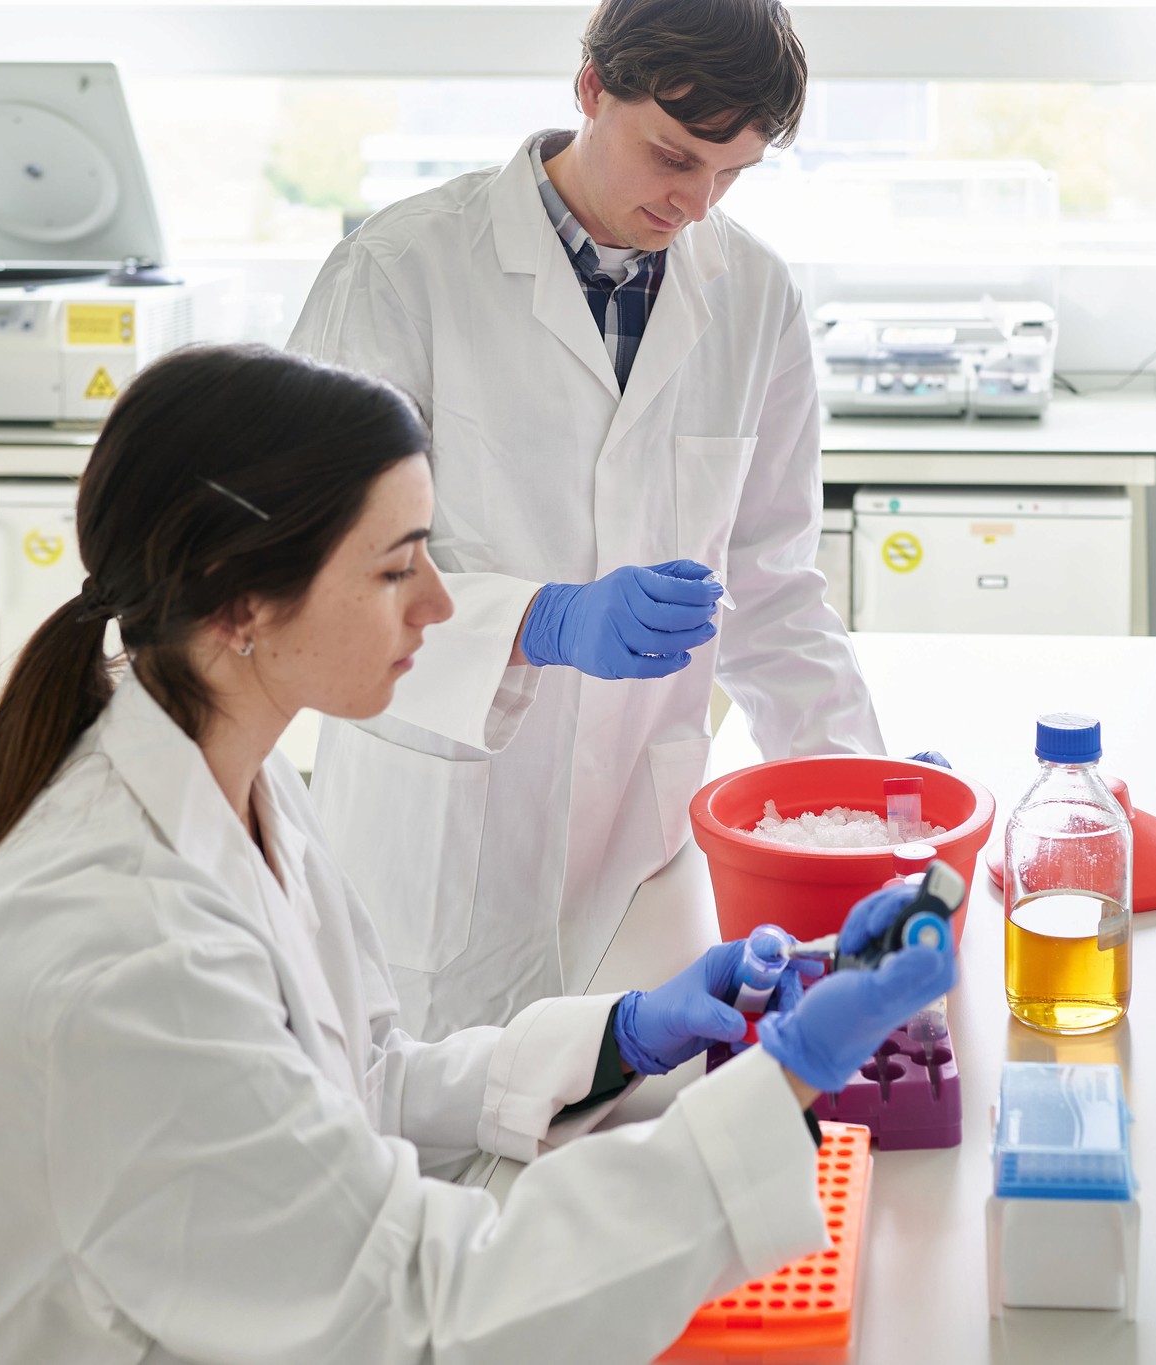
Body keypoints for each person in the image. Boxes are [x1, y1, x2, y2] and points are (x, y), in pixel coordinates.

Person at [0, 344, 953, 1365]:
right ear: (243, 602)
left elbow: (354, 1082)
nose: (438, 605)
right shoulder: (131, 949)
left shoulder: (233, 773)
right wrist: (783, 1083)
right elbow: (421, 1311)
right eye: (395, 569)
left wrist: (620, 1035)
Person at [289, 0, 946, 1040]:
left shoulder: (754, 298)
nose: (694, 203)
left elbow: (772, 592)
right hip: (443, 833)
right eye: (674, 157)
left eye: (731, 174)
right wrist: (536, 620)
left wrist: (867, 804)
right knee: (421, 1143)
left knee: (606, 1144)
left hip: (634, 847)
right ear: (591, 89)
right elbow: (315, 571)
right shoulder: (399, 272)